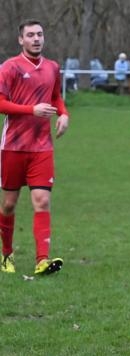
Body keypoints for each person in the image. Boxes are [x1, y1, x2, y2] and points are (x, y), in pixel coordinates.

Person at [0, 19, 68, 275]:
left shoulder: (52, 67)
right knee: (8, 203)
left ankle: (42, 259)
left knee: (41, 201)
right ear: (21, 40)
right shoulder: (10, 67)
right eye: (30, 35)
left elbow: (55, 96)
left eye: (40, 34)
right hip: (13, 147)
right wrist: (31, 109)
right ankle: (6, 253)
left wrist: (63, 114)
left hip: (42, 148)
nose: (36, 39)